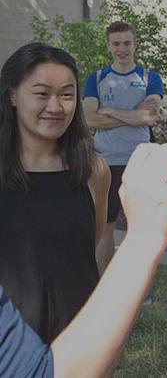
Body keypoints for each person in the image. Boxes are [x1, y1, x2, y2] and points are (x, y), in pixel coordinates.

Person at [0, 142, 167, 378]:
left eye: (67, 100)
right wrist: (145, 235)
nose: (54, 105)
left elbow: (93, 238)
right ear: (12, 101)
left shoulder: (93, 170)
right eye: (41, 100)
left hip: (77, 318)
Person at [0, 42, 110, 344]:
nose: (56, 106)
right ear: (12, 94)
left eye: (66, 94)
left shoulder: (93, 170)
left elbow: (91, 243)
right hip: (10, 348)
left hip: (79, 343)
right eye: (41, 94)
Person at [83, 21, 163, 274]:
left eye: (127, 43)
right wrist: (132, 115)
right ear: (108, 46)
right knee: (105, 226)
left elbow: (149, 118)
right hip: (104, 161)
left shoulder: (150, 78)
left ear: (135, 44)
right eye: (116, 43)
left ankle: (135, 282)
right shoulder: (96, 78)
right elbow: (88, 119)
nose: (122, 49)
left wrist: (108, 111)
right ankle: (106, 282)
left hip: (140, 160)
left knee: (138, 226)